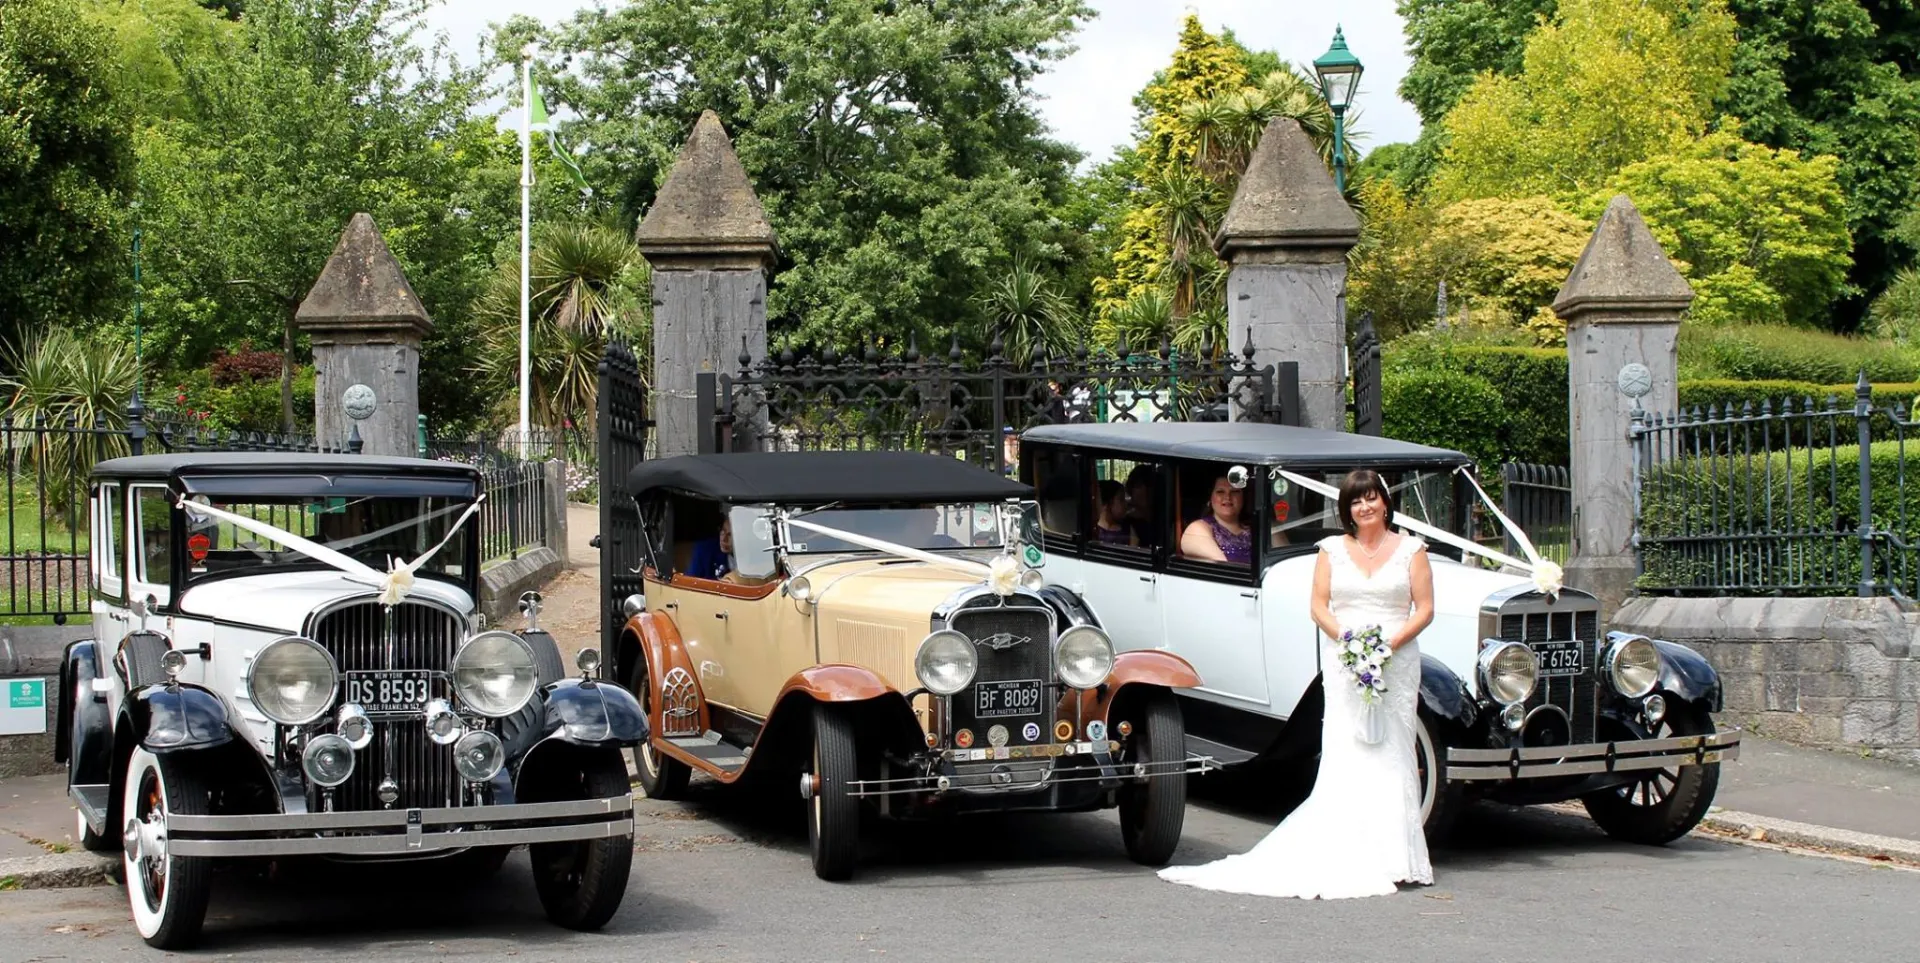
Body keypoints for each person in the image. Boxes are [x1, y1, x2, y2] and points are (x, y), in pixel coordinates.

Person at [1158, 469, 1435, 899]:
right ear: (1347, 509)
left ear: (1385, 502)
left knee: (1394, 747)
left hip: (1395, 659)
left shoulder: (1411, 550)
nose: (1365, 507)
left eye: (1372, 499)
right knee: (1348, 746)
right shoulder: (1331, 550)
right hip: (1345, 657)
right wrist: (1349, 642)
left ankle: (1396, 855)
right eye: (1356, 501)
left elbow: (1424, 608)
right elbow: (1319, 606)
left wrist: (1388, 645)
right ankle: (1347, 846)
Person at [1179, 474, 1252, 564]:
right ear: (1210, 497)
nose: (1227, 497)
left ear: (1243, 497)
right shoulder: (1198, 529)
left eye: (1235, 491)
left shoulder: (1257, 528)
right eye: (1220, 491)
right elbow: (1224, 569)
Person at [687, 515, 734, 581]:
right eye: (723, 531)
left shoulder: (751, 560)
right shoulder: (704, 550)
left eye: (730, 535)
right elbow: (690, 581)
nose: (724, 539)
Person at [1093, 480, 1133, 546]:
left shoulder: (1128, 528)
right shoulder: (1094, 531)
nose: (1126, 504)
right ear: (1106, 504)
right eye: (1121, 499)